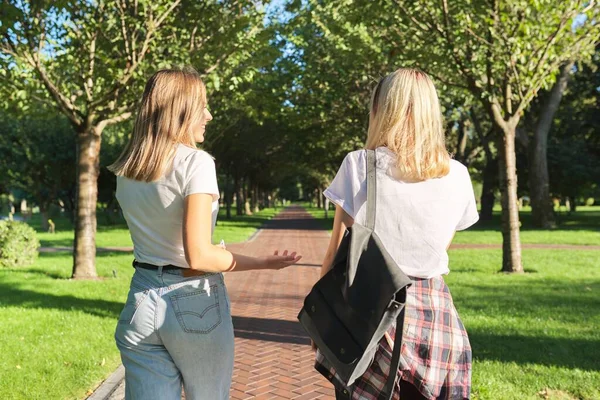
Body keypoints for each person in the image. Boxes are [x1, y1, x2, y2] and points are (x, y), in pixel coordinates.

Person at [109, 68, 301, 400]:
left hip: (141, 299)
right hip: (193, 301)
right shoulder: (196, 163)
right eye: (202, 107)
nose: (208, 116)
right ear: (180, 110)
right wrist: (264, 262)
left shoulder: (128, 169)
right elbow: (199, 255)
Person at [316, 68, 478, 399]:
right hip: (436, 321)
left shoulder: (360, 165)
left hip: (371, 316)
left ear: (383, 109)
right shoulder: (458, 175)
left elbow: (336, 252)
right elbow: (440, 244)